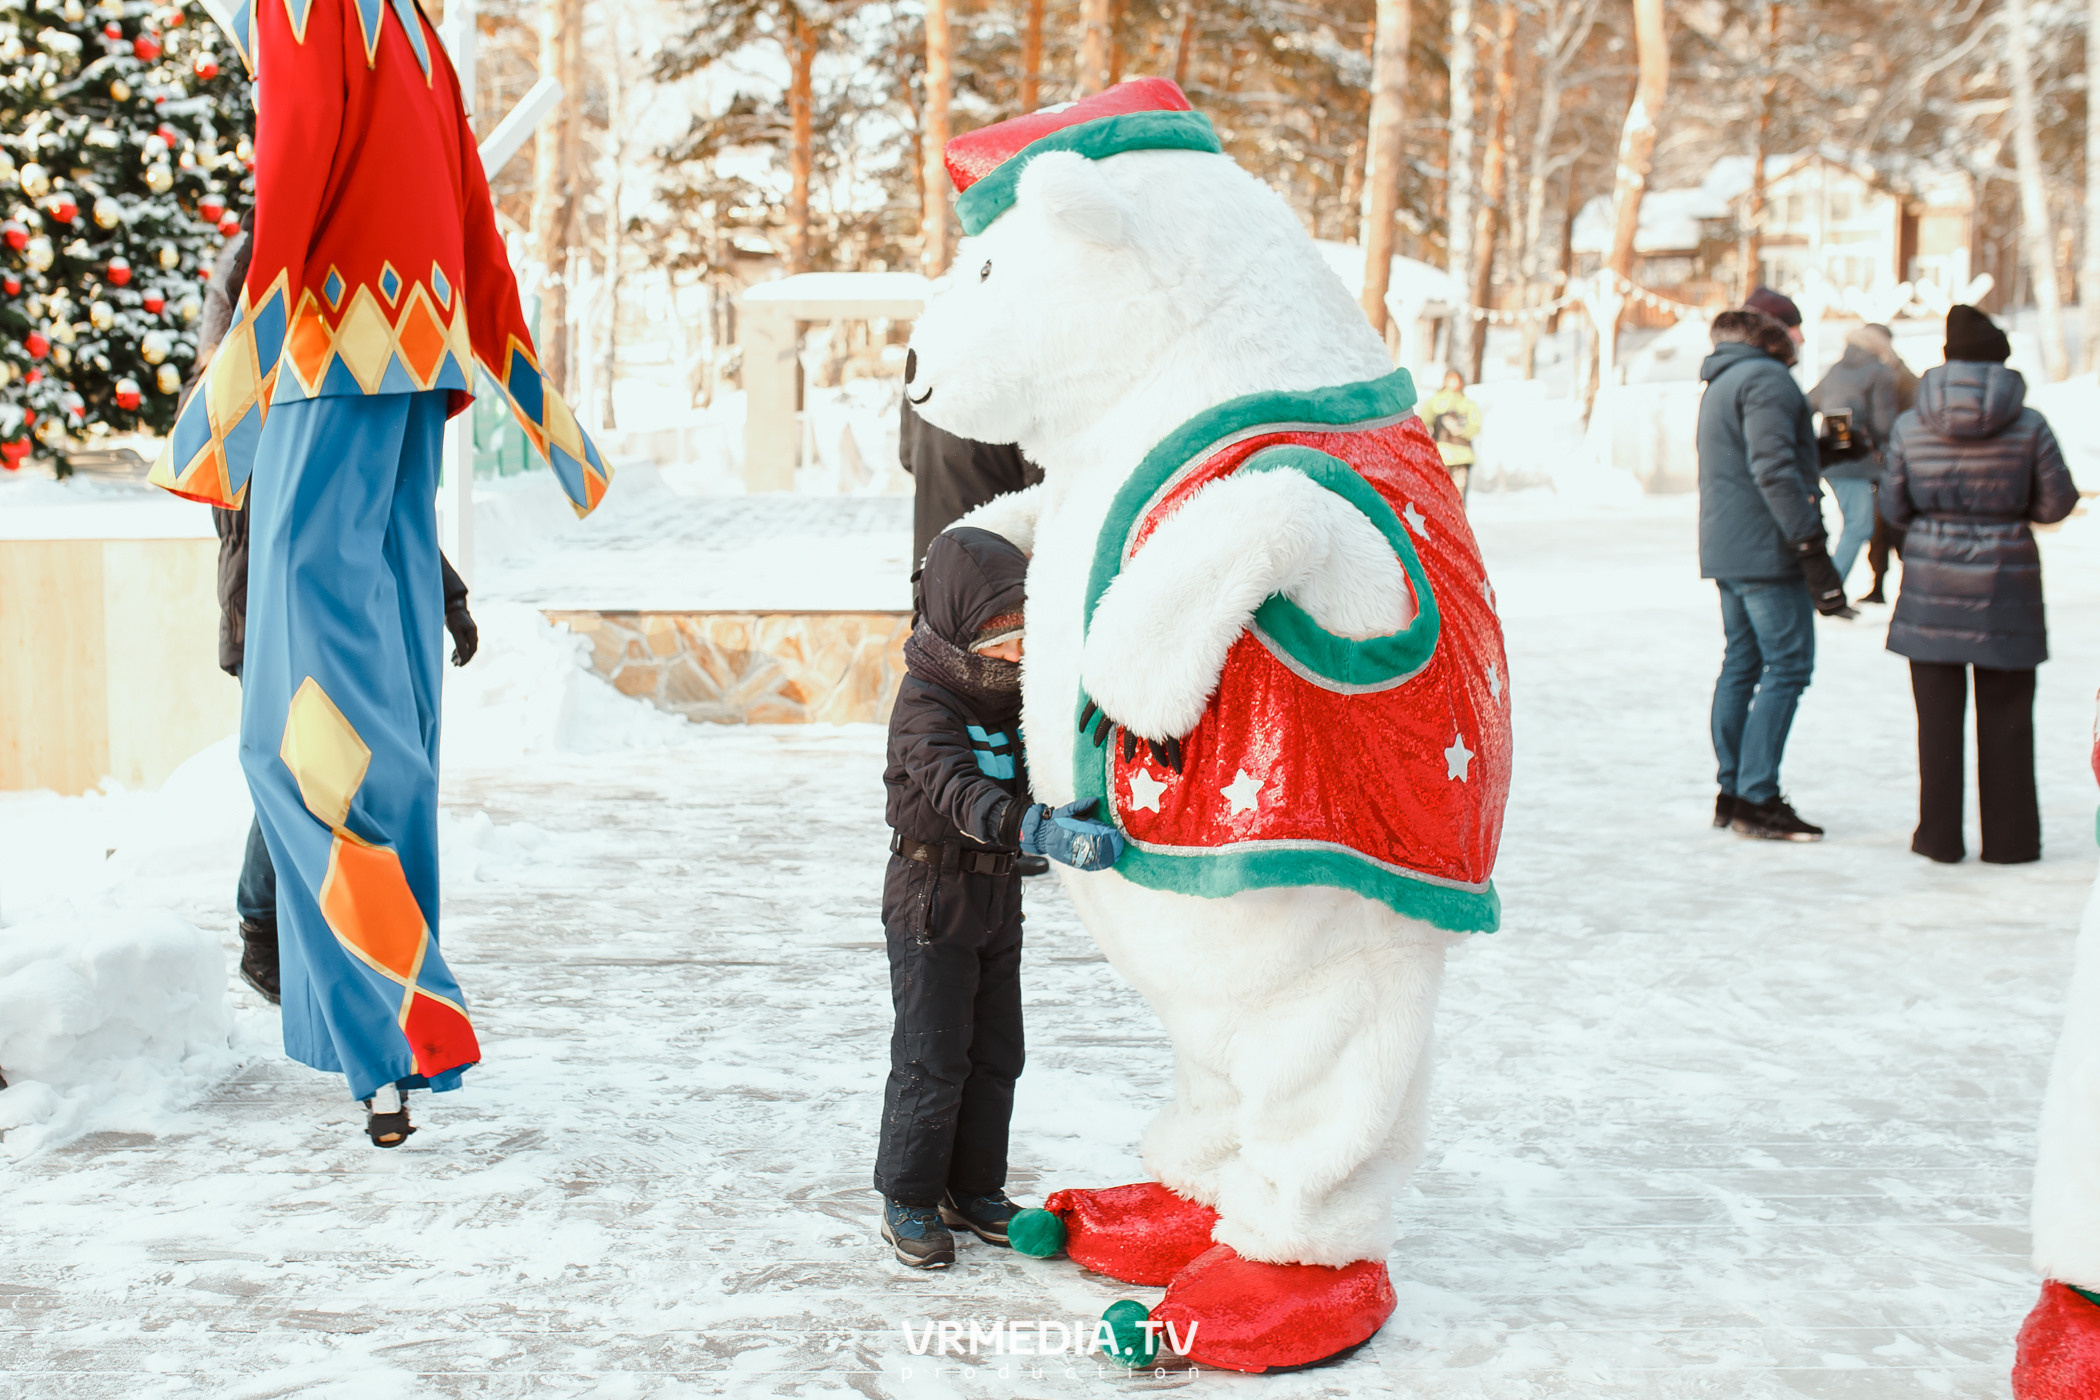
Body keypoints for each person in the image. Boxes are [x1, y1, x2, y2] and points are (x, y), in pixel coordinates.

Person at [151, 0, 609, 1147]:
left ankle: (396, 1019)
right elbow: (471, 219)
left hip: (325, 367)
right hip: (411, 373)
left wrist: (231, 390)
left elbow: (293, 169)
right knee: (389, 725)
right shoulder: (408, 28)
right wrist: (540, 406)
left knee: (296, 737)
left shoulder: (307, 12)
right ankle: (396, 1033)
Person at [183, 211, 479, 1005]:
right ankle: (261, 927)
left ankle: (319, 940)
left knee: (334, 769)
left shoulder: (324, 396)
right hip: (270, 616)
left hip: (328, 608)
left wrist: (444, 596)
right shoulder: (246, 416)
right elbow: (272, 522)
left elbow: (373, 509)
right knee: (298, 768)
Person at [874, 526, 1123, 1268]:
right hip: (931, 891)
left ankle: (973, 1189)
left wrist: (1066, 801)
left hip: (995, 896)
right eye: (1001, 640)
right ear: (958, 629)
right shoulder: (925, 702)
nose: (1017, 655)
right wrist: (1030, 826)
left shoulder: (1012, 691)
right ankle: (911, 1197)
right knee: (932, 1055)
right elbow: (958, 790)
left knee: (995, 1054)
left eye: (1024, 637)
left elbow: (1041, 761)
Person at [1880, 305, 2076, 864]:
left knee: (1937, 723)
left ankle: (1938, 838)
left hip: (1930, 586)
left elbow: (1893, 505)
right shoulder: (2029, 422)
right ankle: (2010, 843)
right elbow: (2057, 502)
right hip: (2005, 586)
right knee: (2009, 719)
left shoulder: (1911, 421)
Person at [1697, 304, 1851, 841]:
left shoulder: (1723, 378)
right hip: (1767, 548)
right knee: (1787, 666)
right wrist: (1810, 545)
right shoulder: (1767, 378)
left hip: (1729, 545)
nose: (1802, 337)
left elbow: (1758, 458)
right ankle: (1757, 798)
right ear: (1776, 337)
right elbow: (1772, 469)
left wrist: (1821, 450)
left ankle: (1734, 789)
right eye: (1794, 328)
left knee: (1742, 661)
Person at [899, 391, 1043, 573]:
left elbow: (906, 457)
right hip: (994, 566)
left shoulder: (919, 373)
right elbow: (1045, 472)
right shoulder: (1012, 375)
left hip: (933, 566)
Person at [1808, 324, 1901, 590]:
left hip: (1831, 459)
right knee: (1859, 527)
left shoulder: (1836, 370)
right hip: (1860, 461)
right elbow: (1885, 424)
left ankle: (1829, 588)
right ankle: (1829, 590)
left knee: (1854, 525)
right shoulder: (1880, 372)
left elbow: (1807, 403)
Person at [1850, 322, 1920, 604]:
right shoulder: (1869, 373)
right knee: (1878, 530)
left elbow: (1911, 417)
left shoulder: (1902, 375)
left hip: (1898, 461)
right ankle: (1877, 586)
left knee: (1899, 526)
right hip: (1876, 461)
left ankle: (1910, 588)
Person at [1420, 367, 1483, 497]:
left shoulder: (1467, 404)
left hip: (1462, 454)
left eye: (1456, 380)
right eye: (1450, 380)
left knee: (1458, 496)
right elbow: (1423, 421)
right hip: (1441, 455)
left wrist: (1461, 430)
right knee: (1439, 495)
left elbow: (1475, 426)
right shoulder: (1435, 402)